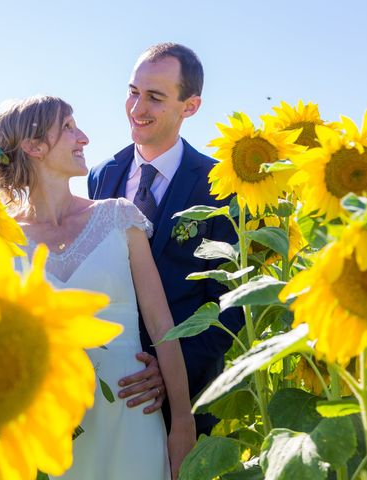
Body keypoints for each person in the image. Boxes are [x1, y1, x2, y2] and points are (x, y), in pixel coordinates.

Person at [0, 95, 195, 480]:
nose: (83, 137)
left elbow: (162, 325)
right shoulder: (0, 240)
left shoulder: (118, 218)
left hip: (134, 416)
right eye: (67, 128)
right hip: (51, 430)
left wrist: (182, 421)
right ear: (33, 146)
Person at [88, 42, 244, 436]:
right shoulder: (102, 176)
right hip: (106, 389)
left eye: (155, 98)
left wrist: (171, 370)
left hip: (186, 401)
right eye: (133, 92)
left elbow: (230, 304)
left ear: (189, 106)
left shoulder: (221, 188)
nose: (137, 108)